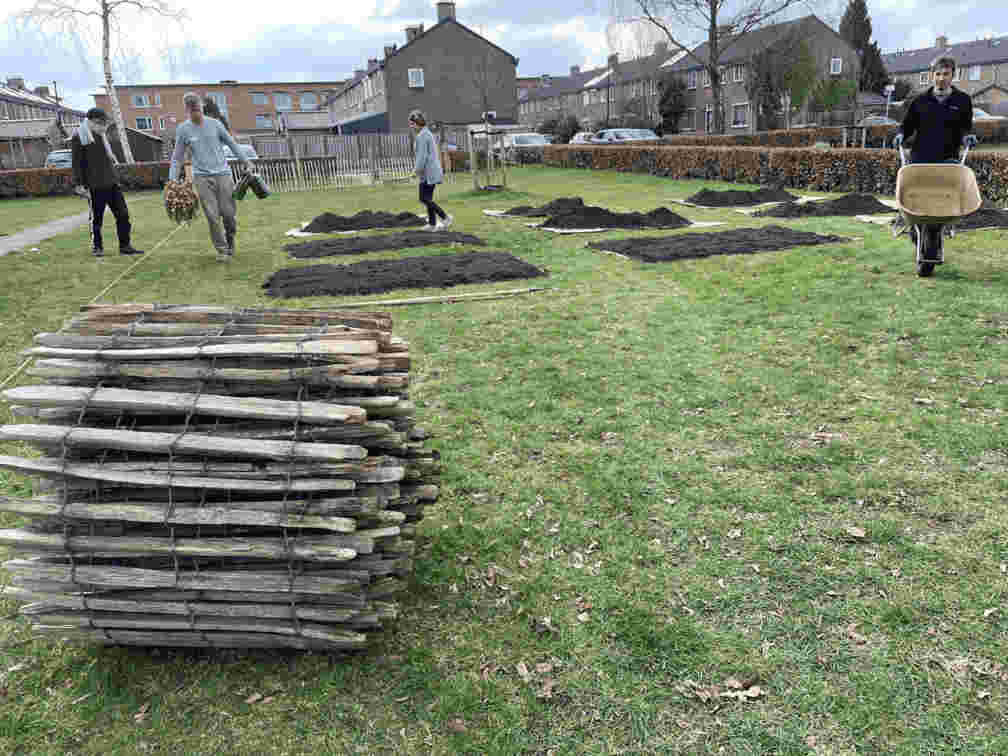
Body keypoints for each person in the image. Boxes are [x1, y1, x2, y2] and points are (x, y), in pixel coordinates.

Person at [892, 57, 976, 252]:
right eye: (937, 74)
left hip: (948, 159)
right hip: (921, 158)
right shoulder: (920, 101)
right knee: (917, 200)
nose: (941, 78)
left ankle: (936, 230)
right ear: (932, 76)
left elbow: (965, 127)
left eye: (945, 74)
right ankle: (914, 227)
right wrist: (900, 135)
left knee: (943, 200)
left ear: (953, 75)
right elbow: (908, 125)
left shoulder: (963, 101)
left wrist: (967, 137)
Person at [169, 92, 253, 262]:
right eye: (192, 111)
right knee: (212, 216)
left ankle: (230, 241)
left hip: (223, 174)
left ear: (202, 108)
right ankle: (222, 251)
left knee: (228, 214)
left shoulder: (215, 124)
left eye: (198, 110)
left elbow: (231, 143)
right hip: (202, 178)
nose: (196, 114)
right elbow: (177, 157)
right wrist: (172, 179)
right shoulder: (183, 129)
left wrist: (247, 161)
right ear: (187, 110)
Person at [70, 108, 144, 257]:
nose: (103, 126)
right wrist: (79, 184)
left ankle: (125, 246)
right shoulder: (79, 137)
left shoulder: (101, 136)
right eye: (100, 122)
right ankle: (97, 247)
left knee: (123, 214)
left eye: (104, 122)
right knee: (97, 219)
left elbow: (108, 158)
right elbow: (77, 163)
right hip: (94, 185)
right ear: (91, 121)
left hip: (111, 182)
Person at [409, 110, 452, 231]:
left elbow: (422, 157)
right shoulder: (426, 133)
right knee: (428, 199)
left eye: (412, 123)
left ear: (418, 123)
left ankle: (445, 217)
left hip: (429, 172)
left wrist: (415, 172)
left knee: (423, 198)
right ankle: (432, 224)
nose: (411, 126)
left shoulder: (422, 136)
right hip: (428, 172)